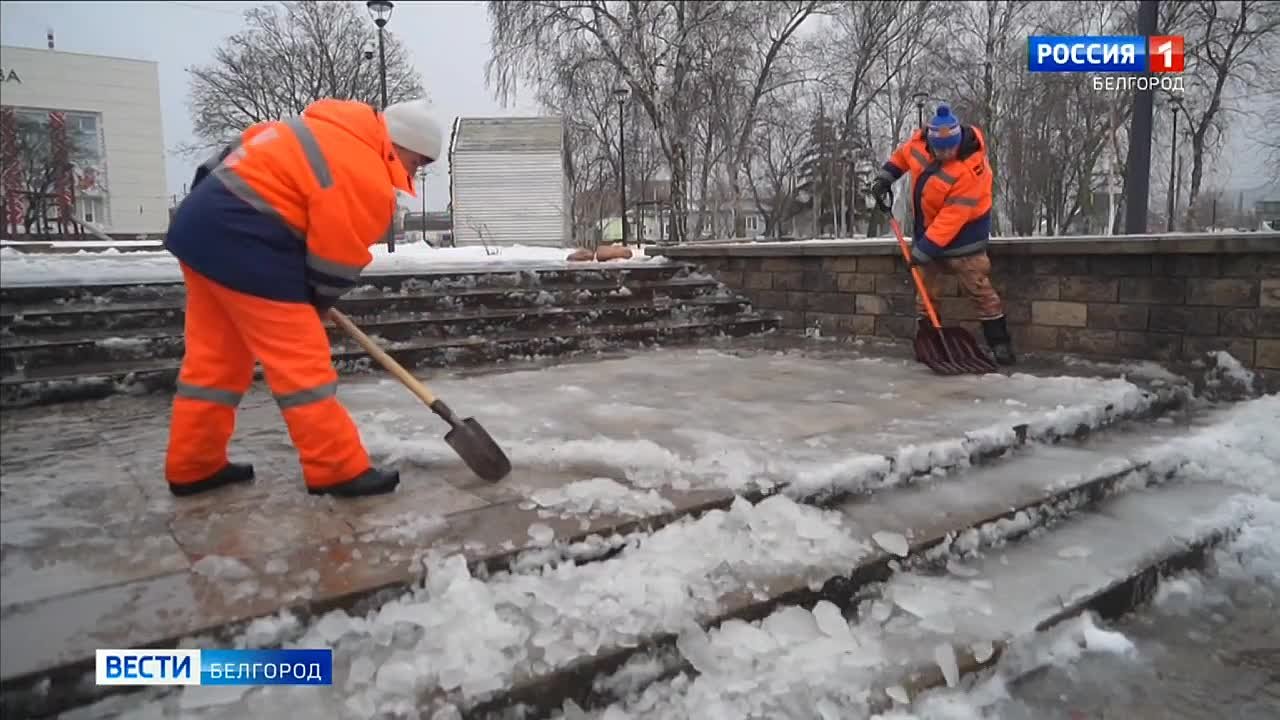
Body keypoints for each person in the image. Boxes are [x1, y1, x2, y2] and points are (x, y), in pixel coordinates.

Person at [162, 98, 443, 498]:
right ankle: (336, 468)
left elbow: (219, 162)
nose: (416, 172)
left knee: (215, 362)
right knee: (302, 367)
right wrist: (318, 302)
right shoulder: (365, 173)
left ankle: (194, 464)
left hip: (200, 228)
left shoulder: (310, 127)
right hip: (250, 246)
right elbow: (336, 260)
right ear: (400, 145)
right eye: (418, 161)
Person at [869, 103, 1015, 366]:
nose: (946, 152)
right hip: (928, 236)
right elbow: (903, 156)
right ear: (931, 142)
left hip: (965, 240)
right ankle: (929, 344)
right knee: (926, 294)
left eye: (950, 147)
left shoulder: (972, 167)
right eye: (940, 148)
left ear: (958, 141)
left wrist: (924, 249)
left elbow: (953, 217)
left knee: (979, 290)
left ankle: (1000, 344)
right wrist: (884, 178)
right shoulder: (920, 145)